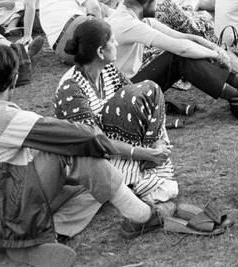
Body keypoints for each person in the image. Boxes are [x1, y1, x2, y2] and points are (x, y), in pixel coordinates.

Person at [0, 45, 163, 267]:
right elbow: (78, 136)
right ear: (14, 80)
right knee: (77, 155)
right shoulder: (0, 116)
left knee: (93, 185)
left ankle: (44, 234)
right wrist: (129, 151)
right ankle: (142, 216)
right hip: (1, 220)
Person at [54, 19, 177, 207]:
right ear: (100, 51)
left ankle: (145, 165)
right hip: (91, 154)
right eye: (112, 41)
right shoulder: (71, 87)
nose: (117, 44)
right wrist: (144, 153)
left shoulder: (108, 70)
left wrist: (158, 143)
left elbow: (142, 101)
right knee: (160, 184)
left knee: (148, 91)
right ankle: (139, 171)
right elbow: (94, 141)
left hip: (118, 147)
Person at [107, 0, 238, 119]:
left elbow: (184, 38)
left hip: (127, 86)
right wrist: (216, 55)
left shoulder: (133, 17)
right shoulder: (127, 23)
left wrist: (213, 48)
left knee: (191, 51)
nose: (158, 3)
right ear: (147, 0)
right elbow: (182, 49)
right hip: (121, 95)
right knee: (178, 57)